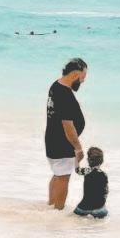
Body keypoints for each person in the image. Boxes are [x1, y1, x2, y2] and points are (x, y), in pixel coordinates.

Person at [45, 58, 87, 209]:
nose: (83, 81)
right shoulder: (65, 95)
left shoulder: (56, 85)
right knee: (63, 178)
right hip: (62, 143)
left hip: (52, 139)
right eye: (82, 77)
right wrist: (78, 148)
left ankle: (50, 206)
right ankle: (58, 211)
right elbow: (68, 127)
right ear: (75, 74)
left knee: (58, 174)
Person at [73, 147, 109, 218]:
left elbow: (77, 170)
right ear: (102, 161)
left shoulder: (86, 171)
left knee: (74, 216)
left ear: (88, 160)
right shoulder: (104, 174)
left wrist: (77, 158)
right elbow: (106, 191)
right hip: (99, 208)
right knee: (104, 216)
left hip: (84, 207)